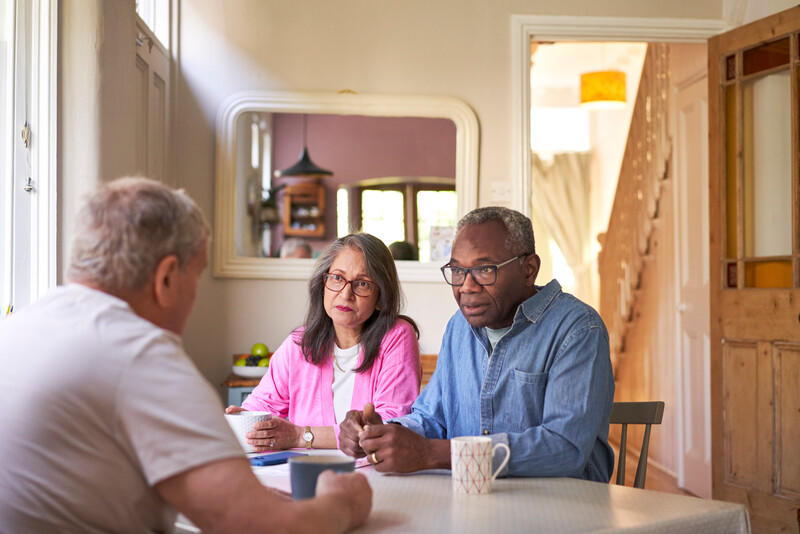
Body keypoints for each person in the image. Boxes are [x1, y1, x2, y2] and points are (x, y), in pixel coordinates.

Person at [0, 178, 371, 533]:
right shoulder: (141, 356)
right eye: (195, 276)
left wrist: (241, 497)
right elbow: (259, 528)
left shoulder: (20, 328)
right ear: (166, 278)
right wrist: (340, 503)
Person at [339, 206, 615, 482]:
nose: (466, 286)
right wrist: (381, 433)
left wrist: (434, 453)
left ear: (529, 269)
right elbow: (431, 418)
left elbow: (564, 448)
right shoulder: (459, 328)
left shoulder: (577, 329)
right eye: (457, 270)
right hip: (475, 500)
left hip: (564, 511)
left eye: (484, 269)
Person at [227, 233, 421, 452]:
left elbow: (389, 426)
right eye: (337, 278)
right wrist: (243, 420)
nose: (346, 294)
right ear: (324, 284)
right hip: (302, 472)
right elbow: (262, 407)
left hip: (371, 476)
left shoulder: (397, 337)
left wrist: (300, 435)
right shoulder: (299, 344)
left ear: (381, 297)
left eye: (363, 284)